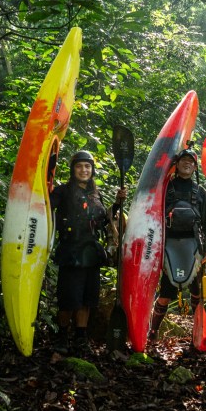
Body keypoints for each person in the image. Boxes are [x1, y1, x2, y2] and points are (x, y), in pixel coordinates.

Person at [50, 150, 126, 357]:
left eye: (87, 167)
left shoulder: (95, 194)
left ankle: (81, 339)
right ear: (73, 169)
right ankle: (62, 338)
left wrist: (117, 204)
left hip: (91, 252)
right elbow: (46, 209)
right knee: (68, 299)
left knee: (87, 299)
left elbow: (102, 220)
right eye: (79, 166)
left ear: (92, 170)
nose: (84, 170)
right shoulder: (62, 192)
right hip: (71, 251)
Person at [148, 147, 206, 344]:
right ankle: (153, 332)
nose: (187, 163)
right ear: (176, 165)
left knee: (196, 291)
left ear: (195, 167)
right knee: (165, 295)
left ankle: (198, 332)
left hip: (193, 247)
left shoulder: (201, 192)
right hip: (169, 246)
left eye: (191, 162)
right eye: (184, 160)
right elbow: (152, 215)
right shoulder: (165, 188)